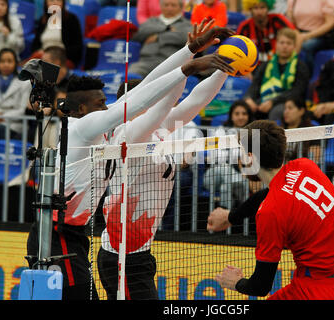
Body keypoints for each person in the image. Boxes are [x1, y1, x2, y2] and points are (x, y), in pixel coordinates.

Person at [26, 21, 234, 300]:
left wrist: (190, 50)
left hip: (78, 235)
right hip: (55, 233)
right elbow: (136, 103)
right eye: (101, 103)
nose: (107, 106)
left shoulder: (103, 129)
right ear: (83, 109)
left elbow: (147, 88)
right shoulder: (82, 128)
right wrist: (188, 68)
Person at [96, 22, 235, 300]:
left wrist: (225, 68)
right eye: (149, 98)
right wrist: (190, 61)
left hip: (139, 251)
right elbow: (164, 101)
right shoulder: (128, 135)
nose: (156, 102)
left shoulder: (157, 129)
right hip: (122, 258)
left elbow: (194, 101)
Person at [208, 119, 334, 300]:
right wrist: (231, 216)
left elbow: (260, 286)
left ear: (250, 158)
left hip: (321, 290)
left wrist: (234, 282)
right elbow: (269, 194)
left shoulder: (270, 212)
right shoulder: (305, 166)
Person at [244, 28, 309, 121]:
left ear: (294, 46)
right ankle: (252, 136)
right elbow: (255, 85)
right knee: (245, 109)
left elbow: (297, 92)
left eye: (288, 43)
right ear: (276, 44)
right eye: (282, 43)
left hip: (288, 103)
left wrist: (273, 102)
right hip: (264, 100)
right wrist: (248, 99)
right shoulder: (266, 65)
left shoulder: (300, 66)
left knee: (276, 111)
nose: (285, 46)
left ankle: (274, 136)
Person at [0, 48, 31, 163]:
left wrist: (2, 116)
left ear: (15, 63)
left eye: (9, 61)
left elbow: (22, 110)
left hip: (12, 124)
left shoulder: (25, 83)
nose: (6, 64)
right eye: (2, 61)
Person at [203, 100, 254, 212]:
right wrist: (240, 155)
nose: (241, 117)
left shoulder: (252, 134)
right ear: (231, 116)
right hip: (213, 176)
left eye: (244, 114)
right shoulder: (220, 131)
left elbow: (252, 159)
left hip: (235, 178)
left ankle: (225, 222)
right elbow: (216, 157)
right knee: (225, 167)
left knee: (225, 186)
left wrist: (233, 154)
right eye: (237, 114)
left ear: (249, 116)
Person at [130, 0, 192, 77]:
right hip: (146, 61)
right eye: (166, 5)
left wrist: (158, 37)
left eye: (173, 5)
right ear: (161, 7)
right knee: (131, 74)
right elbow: (139, 34)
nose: (169, 8)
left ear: (180, 8)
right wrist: (166, 28)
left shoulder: (186, 24)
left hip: (171, 62)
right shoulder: (151, 21)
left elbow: (184, 37)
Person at [286, 0, 334, 74]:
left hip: (320, 35)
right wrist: (297, 33)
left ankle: (306, 77)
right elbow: (290, 18)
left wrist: (306, 36)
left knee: (305, 46)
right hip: (297, 32)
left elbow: (330, 23)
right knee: (283, 43)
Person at [30, 0, 83, 69]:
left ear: (63, 3)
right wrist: (40, 52)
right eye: (51, 0)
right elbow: (35, 45)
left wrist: (57, 54)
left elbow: (77, 47)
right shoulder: (43, 20)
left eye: (58, 0)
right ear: (46, 3)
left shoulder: (71, 19)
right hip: (42, 57)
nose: (55, 3)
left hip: (63, 59)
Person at [281, 97, 321, 163]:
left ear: (301, 111)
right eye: (285, 108)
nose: (286, 112)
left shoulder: (312, 131)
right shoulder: (279, 131)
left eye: (290, 108)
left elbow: (315, 158)